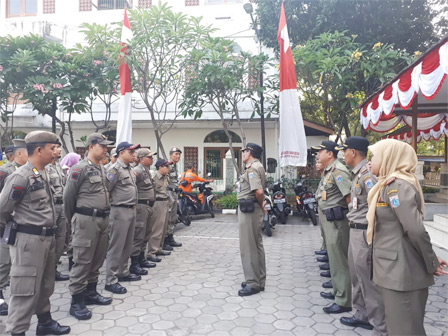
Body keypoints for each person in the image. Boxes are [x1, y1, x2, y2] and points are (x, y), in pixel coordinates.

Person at [367, 139, 448, 336]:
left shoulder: (397, 186)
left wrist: (430, 261)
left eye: (374, 156)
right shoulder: (386, 184)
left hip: (401, 273)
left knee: (405, 330)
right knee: (398, 326)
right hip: (393, 270)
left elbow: (415, 230)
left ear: (389, 157)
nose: (370, 162)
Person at [0, 131, 70, 336]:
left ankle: (45, 322)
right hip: (28, 241)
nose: (57, 152)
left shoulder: (44, 172)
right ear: (39, 150)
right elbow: (2, 209)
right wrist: (16, 233)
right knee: (25, 289)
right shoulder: (21, 176)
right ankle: (17, 331)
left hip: (46, 238)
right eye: (52, 148)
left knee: (45, 283)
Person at [336, 137, 387, 334]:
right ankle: (362, 314)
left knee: (367, 279)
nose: (343, 154)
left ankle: (379, 325)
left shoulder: (367, 175)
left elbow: (380, 205)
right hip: (355, 230)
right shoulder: (357, 174)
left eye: (345, 151)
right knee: (357, 275)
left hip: (364, 232)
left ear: (354, 152)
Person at [63, 133, 113, 320]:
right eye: (103, 146)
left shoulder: (100, 167)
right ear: (91, 146)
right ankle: (76, 301)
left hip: (102, 220)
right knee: (82, 260)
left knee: (98, 258)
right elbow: (69, 197)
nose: (106, 149)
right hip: (86, 220)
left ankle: (91, 293)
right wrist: (74, 220)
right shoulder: (79, 168)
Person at [312, 140, 352, 314]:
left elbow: (350, 198)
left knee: (340, 261)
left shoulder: (339, 171)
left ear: (330, 154)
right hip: (330, 220)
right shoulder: (330, 171)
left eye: (320, 151)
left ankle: (344, 301)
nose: (317, 155)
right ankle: (338, 292)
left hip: (338, 221)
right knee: (334, 260)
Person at [105, 141, 141, 295]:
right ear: (121, 153)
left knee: (127, 243)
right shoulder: (114, 169)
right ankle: (110, 279)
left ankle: (123, 271)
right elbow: (107, 190)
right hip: (119, 210)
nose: (134, 155)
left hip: (131, 210)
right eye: (131, 152)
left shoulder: (129, 169)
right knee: (116, 245)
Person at [0, 139, 28, 317]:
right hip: (6, 223)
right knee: (3, 261)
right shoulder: (5, 172)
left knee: (14, 261)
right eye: (28, 151)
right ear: (18, 153)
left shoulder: (30, 171)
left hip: (21, 224)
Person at [237, 143, 266, 297]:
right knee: (256, 245)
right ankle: (259, 280)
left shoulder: (253, 168)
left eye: (244, 151)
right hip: (252, 209)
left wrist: (261, 204)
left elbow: (259, 191)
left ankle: (252, 283)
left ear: (250, 152)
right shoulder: (257, 166)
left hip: (249, 210)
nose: (243, 154)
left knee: (248, 247)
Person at [129, 148, 158, 276]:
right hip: (140, 206)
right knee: (139, 235)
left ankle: (141, 258)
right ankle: (134, 264)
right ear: (141, 159)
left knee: (146, 234)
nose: (152, 159)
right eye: (149, 157)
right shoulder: (137, 171)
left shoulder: (146, 171)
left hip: (148, 207)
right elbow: (131, 188)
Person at [45, 143, 70, 282]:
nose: (59, 150)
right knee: (50, 241)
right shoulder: (44, 168)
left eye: (59, 147)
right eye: (55, 147)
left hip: (62, 206)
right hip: (52, 206)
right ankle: (47, 272)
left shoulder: (58, 166)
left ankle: (53, 269)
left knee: (61, 240)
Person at [147, 159, 172, 263]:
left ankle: (159, 248)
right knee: (156, 228)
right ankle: (152, 252)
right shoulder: (153, 177)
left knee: (163, 228)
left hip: (165, 202)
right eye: (166, 166)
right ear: (160, 167)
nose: (168, 168)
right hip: (157, 203)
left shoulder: (166, 177)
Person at [164, 147, 183, 249]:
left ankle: (170, 237)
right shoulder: (168, 166)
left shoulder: (175, 166)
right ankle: (165, 239)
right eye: (176, 154)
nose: (178, 156)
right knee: (168, 217)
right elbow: (165, 181)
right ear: (170, 155)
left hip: (175, 193)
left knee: (173, 217)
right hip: (169, 193)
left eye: (179, 154)